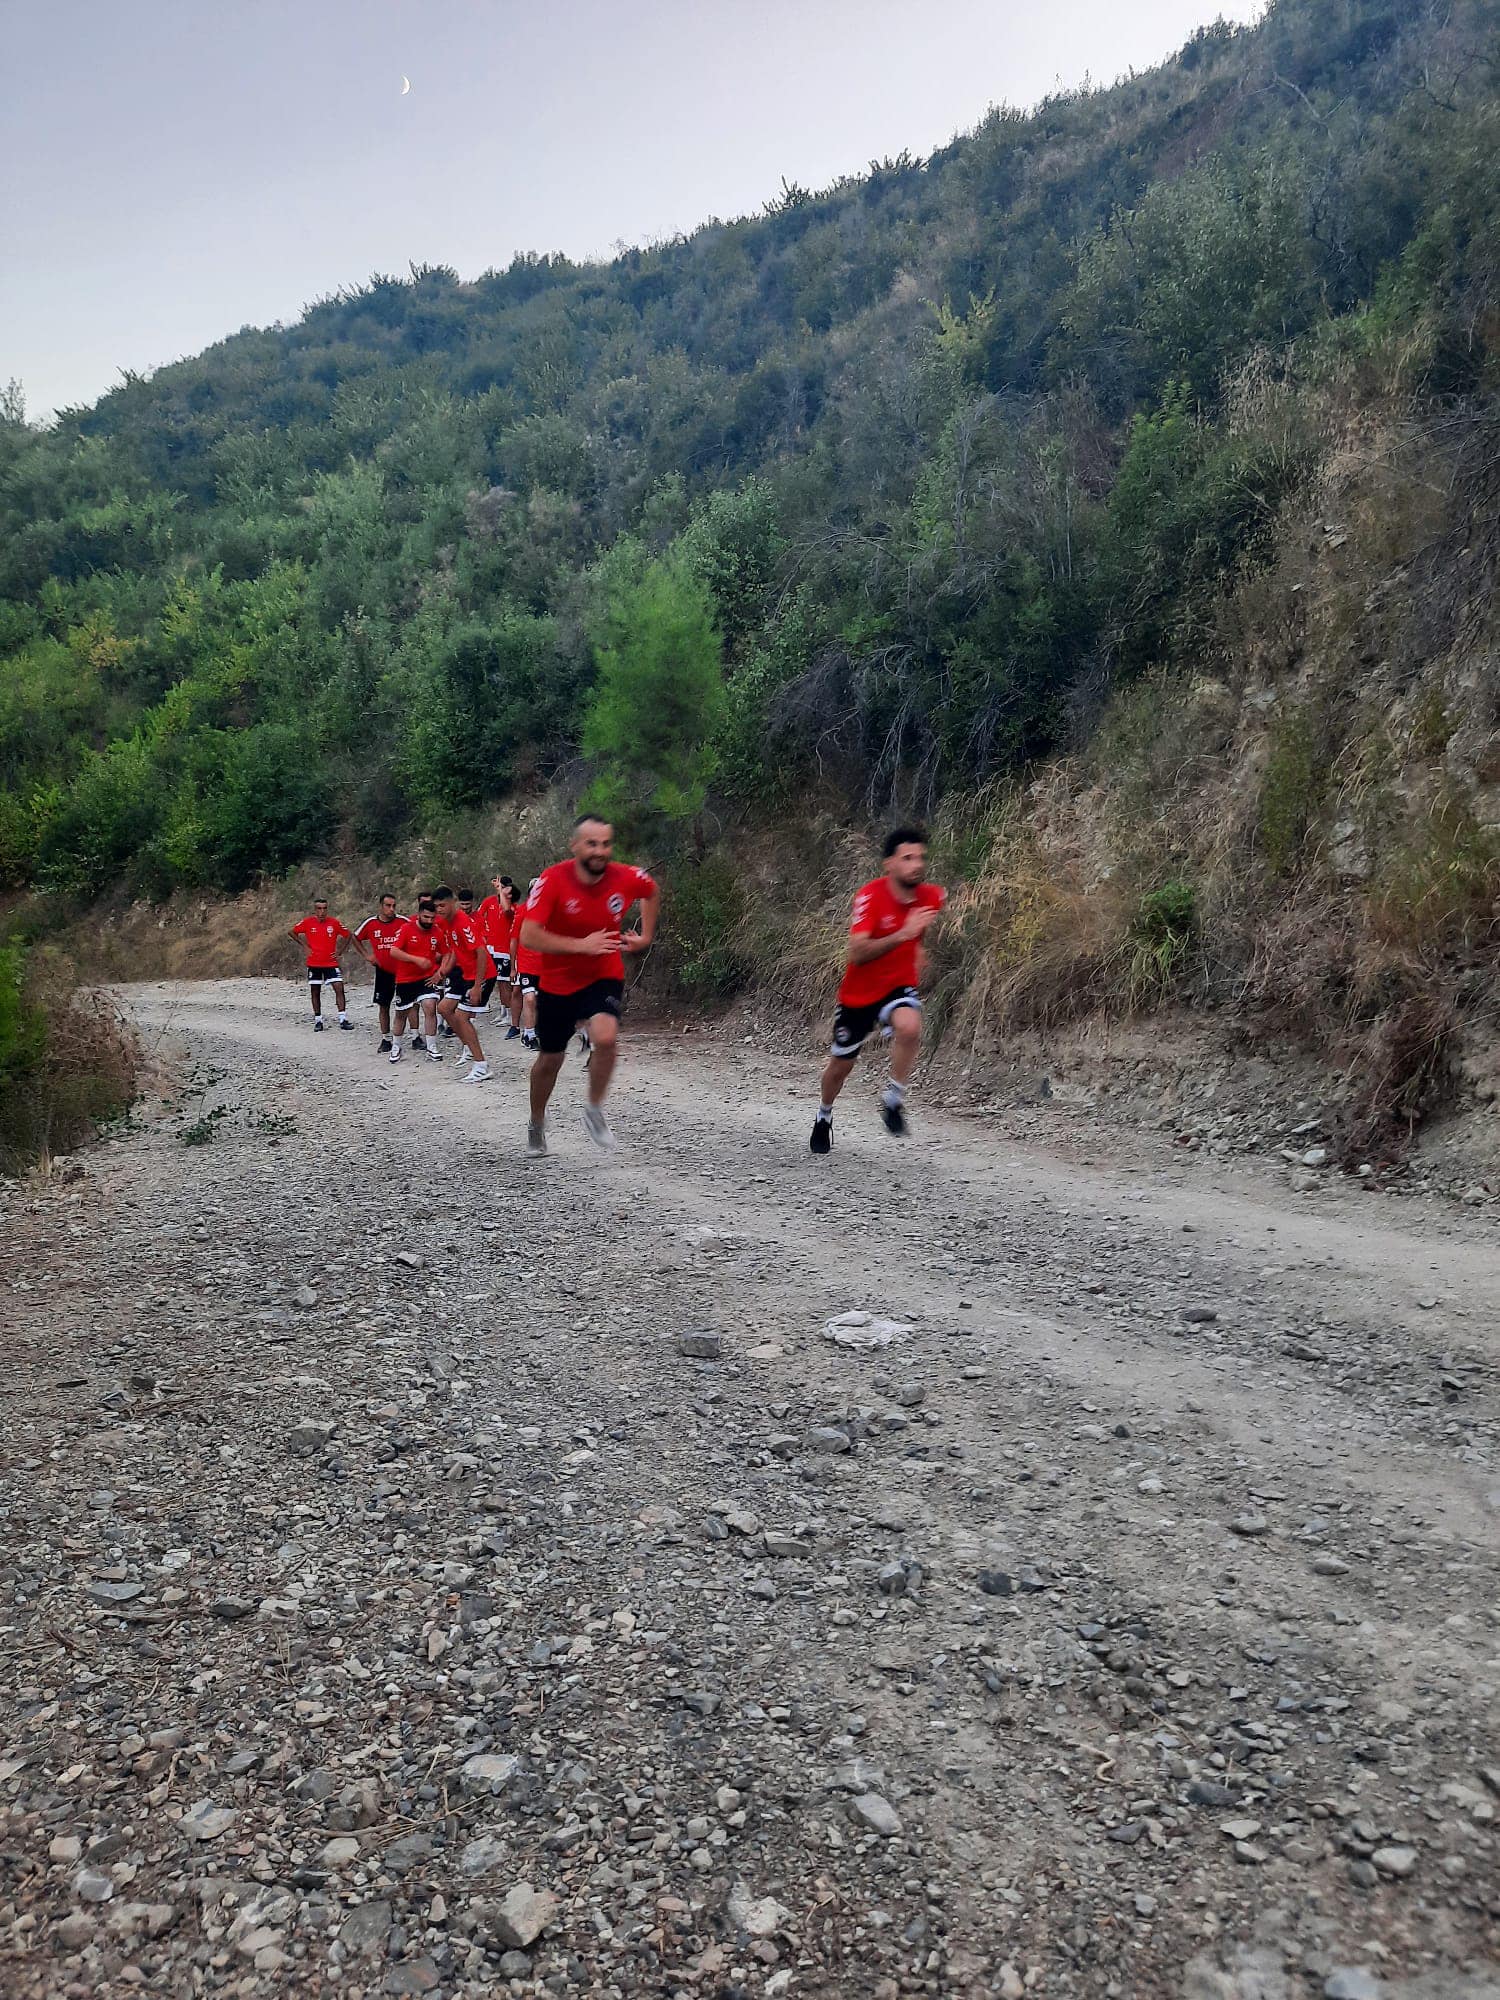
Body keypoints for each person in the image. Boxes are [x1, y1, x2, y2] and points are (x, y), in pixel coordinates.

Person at [519, 815, 658, 1155]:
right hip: (557, 981)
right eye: (592, 844)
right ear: (576, 846)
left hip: (603, 973)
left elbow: (651, 891)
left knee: (606, 1038)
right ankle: (537, 1121)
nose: (600, 851)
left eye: (606, 844)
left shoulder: (624, 876)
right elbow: (529, 935)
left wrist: (645, 936)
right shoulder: (553, 880)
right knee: (550, 1060)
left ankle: (594, 1110)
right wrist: (582, 945)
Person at [810, 826, 946, 1153]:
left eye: (921, 858)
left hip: (898, 986)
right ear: (889, 864)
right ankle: (824, 1116)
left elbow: (919, 933)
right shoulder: (870, 896)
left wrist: (918, 947)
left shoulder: (931, 896)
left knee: (910, 1027)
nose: (917, 865)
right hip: (859, 994)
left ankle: (893, 1100)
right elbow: (857, 951)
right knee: (840, 1068)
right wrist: (904, 934)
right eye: (908, 858)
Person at [433, 886, 493, 1083]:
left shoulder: (462, 922)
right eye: (437, 907)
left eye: (442, 905)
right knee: (444, 1008)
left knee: (462, 1016)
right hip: (465, 973)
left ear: (452, 903)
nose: (439, 910)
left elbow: (481, 952)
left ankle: (481, 1065)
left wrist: (477, 985)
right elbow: (453, 952)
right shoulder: (446, 923)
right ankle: (468, 1045)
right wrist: (442, 971)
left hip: (482, 974)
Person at [386, 895, 451, 1063]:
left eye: (432, 918)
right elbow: (393, 951)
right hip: (405, 979)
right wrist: (415, 959)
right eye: (426, 917)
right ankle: (396, 1045)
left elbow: (447, 953)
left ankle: (431, 1046)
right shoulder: (407, 929)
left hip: (426, 978)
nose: (429, 921)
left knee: (430, 1007)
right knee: (401, 1013)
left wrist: (440, 972)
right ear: (419, 914)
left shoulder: (437, 931)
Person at [353, 893, 408, 1052]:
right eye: (388, 906)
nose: (391, 909)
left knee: (409, 1004)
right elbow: (355, 937)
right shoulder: (371, 923)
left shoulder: (403, 921)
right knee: (383, 1005)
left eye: (394, 906)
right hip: (383, 971)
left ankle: (415, 1035)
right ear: (381, 906)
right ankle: (386, 1039)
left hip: (403, 970)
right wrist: (367, 955)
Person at [290, 899, 354, 1031]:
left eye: (324, 908)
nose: (322, 911)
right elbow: (292, 932)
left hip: (330, 962)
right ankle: (318, 1020)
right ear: (315, 910)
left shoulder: (334, 923)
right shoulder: (308, 922)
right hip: (314, 962)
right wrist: (305, 946)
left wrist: (339, 951)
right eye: (319, 908)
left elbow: (348, 935)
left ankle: (343, 1019)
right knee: (315, 991)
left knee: (339, 987)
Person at [509, 877, 544, 1049]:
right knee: (529, 999)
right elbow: (514, 939)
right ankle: (528, 1035)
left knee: (540, 1000)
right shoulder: (522, 911)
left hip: (544, 965)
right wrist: (512, 967)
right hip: (526, 964)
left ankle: (537, 1029)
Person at [474, 876, 516, 1017]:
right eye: (501, 887)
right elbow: (478, 917)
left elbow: (507, 911)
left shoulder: (511, 903)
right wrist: (484, 933)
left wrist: (501, 892)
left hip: (505, 949)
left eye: (505, 887)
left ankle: (510, 1015)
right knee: (498, 982)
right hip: (491, 947)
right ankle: (503, 1012)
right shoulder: (489, 901)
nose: (503, 889)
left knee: (505, 983)